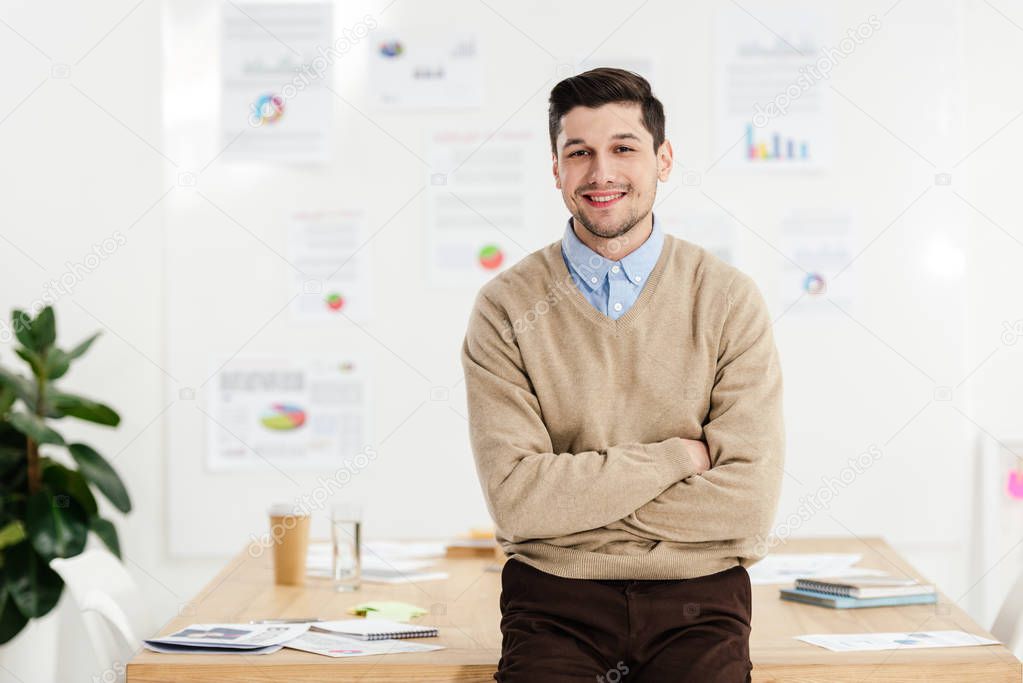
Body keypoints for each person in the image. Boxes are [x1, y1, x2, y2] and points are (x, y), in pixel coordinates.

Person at [460, 67, 785, 682]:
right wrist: (676, 460)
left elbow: (747, 508)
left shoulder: (727, 300)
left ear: (663, 160)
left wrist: (576, 509)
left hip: (699, 600)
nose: (601, 173)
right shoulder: (506, 308)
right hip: (556, 601)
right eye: (578, 152)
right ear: (556, 171)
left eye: (623, 149)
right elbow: (518, 503)